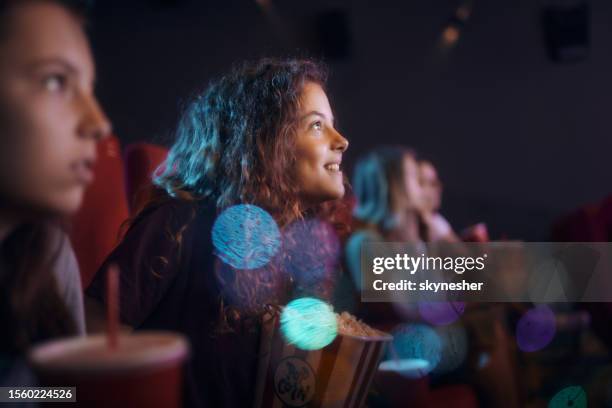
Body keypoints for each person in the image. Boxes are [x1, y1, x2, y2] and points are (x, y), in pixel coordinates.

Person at [85, 58, 349, 407]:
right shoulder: (180, 224)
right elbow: (85, 357)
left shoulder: (301, 250)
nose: (341, 141)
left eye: (332, 125)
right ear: (262, 141)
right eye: (316, 125)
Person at [0, 0, 110, 383]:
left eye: (89, 88)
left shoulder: (47, 253)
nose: (99, 124)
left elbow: (63, 395)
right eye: (55, 80)